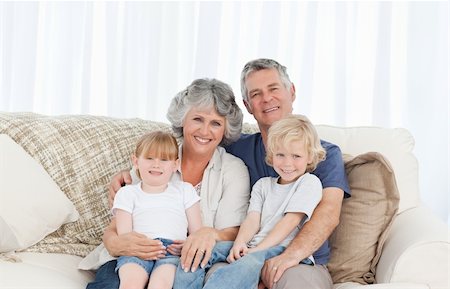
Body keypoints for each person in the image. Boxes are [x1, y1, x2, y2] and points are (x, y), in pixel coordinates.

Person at [85, 78, 251, 289]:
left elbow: (233, 230)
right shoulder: (157, 157)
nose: (205, 131)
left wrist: (210, 234)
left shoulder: (233, 170)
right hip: (135, 256)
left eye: (215, 123)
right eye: (197, 119)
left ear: (225, 129)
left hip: (186, 261)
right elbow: (116, 226)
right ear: (183, 120)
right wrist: (115, 243)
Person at [223, 58, 350, 289]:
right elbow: (194, 151)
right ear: (247, 105)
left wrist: (290, 256)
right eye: (256, 94)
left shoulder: (325, 154)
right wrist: (137, 176)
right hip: (245, 253)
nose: (267, 98)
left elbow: (329, 213)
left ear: (291, 91)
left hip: (300, 262)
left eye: (274, 89)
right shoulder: (236, 149)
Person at [174, 114, 325, 289]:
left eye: (296, 156)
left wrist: (257, 250)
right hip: (253, 246)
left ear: (310, 157)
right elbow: (252, 219)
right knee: (201, 251)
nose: (287, 163)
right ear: (271, 155)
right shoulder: (263, 185)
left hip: (283, 248)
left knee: (244, 266)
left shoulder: (308, 183)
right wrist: (240, 243)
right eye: (281, 155)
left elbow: (289, 222)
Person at [113, 131, 202, 289]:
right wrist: (143, 248)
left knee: (160, 285)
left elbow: (197, 233)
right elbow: (125, 236)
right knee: (131, 284)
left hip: (171, 252)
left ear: (175, 165)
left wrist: (187, 245)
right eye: (149, 158)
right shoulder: (127, 193)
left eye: (164, 159)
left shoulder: (184, 191)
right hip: (137, 250)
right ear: (136, 161)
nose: (156, 164)